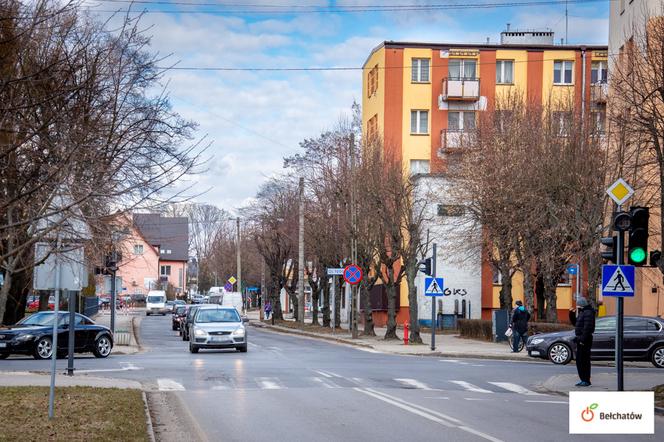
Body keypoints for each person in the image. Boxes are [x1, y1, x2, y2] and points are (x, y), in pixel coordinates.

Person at [574, 296, 595, 387]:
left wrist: (582, 340)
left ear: (581, 304)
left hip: (584, 340)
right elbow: (577, 325)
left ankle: (585, 380)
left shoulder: (588, 313)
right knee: (580, 360)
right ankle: (583, 379)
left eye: (578, 304)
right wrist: (571, 314)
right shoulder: (583, 312)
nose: (577, 306)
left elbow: (587, 328)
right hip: (581, 339)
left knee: (583, 360)